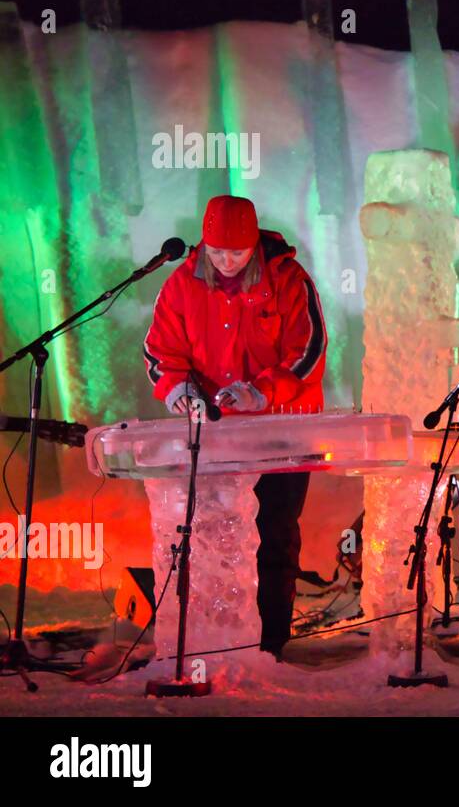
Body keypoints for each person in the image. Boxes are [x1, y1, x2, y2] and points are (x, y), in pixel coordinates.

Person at [142, 195, 328, 656]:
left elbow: (308, 352)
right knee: (212, 536)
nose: (226, 262)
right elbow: (160, 354)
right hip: (216, 437)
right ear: (204, 244)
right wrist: (178, 390)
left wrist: (263, 391)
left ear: (254, 246)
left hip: (284, 430)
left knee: (275, 532)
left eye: (237, 253)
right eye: (217, 252)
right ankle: (218, 641)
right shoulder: (181, 284)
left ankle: (271, 645)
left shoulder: (289, 279)